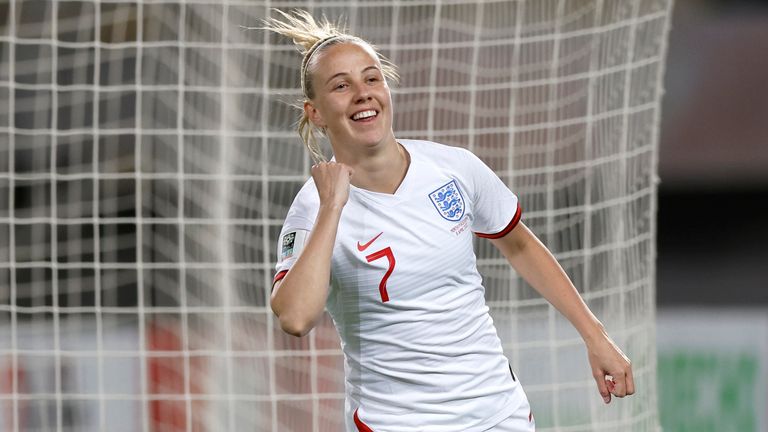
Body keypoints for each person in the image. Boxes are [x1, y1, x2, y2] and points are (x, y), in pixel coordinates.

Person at [264, 9, 634, 432]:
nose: (363, 94)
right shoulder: (313, 207)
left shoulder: (453, 169)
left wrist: (595, 335)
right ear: (315, 113)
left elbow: (519, 244)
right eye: (341, 86)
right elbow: (294, 318)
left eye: (371, 79)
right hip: (396, 424)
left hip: (498, 414)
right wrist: (333, 207)